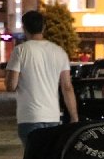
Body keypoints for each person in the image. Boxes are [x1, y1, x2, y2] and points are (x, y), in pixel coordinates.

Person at [5, 10, 78, 146]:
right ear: (44, 27)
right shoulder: (59, 52)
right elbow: (67, 87)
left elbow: (11, 86)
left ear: (24, 27)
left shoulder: (20, 51)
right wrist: (74, 116)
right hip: (52, 117)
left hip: (29, 117)